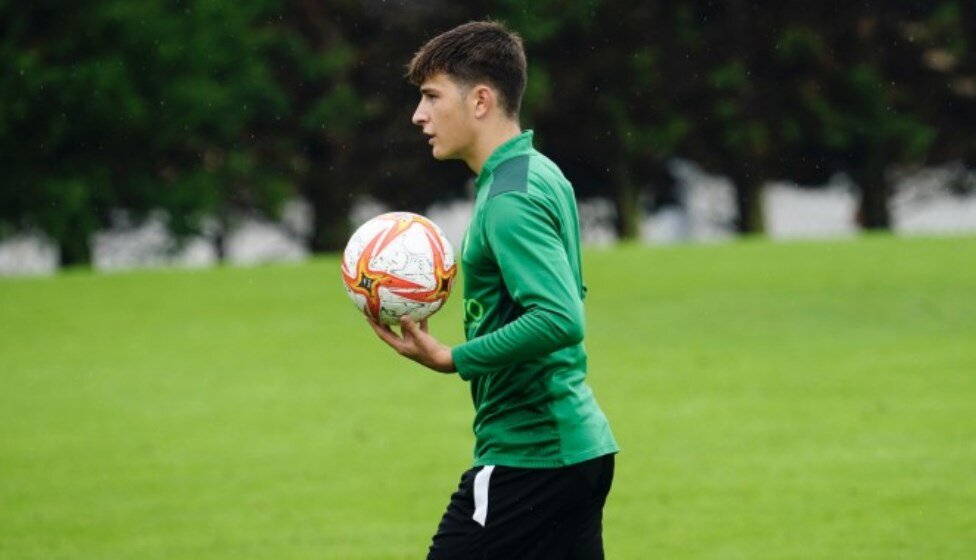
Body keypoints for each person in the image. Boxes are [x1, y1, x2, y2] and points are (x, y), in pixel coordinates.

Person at [367, 20, 618, 559]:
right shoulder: (538, 172)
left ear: (480, 100)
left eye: (432, 97)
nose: (419, 115)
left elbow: (559, 318)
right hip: (575, 448)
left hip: (532, 458)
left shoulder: (510, 199)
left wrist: (453, 357)